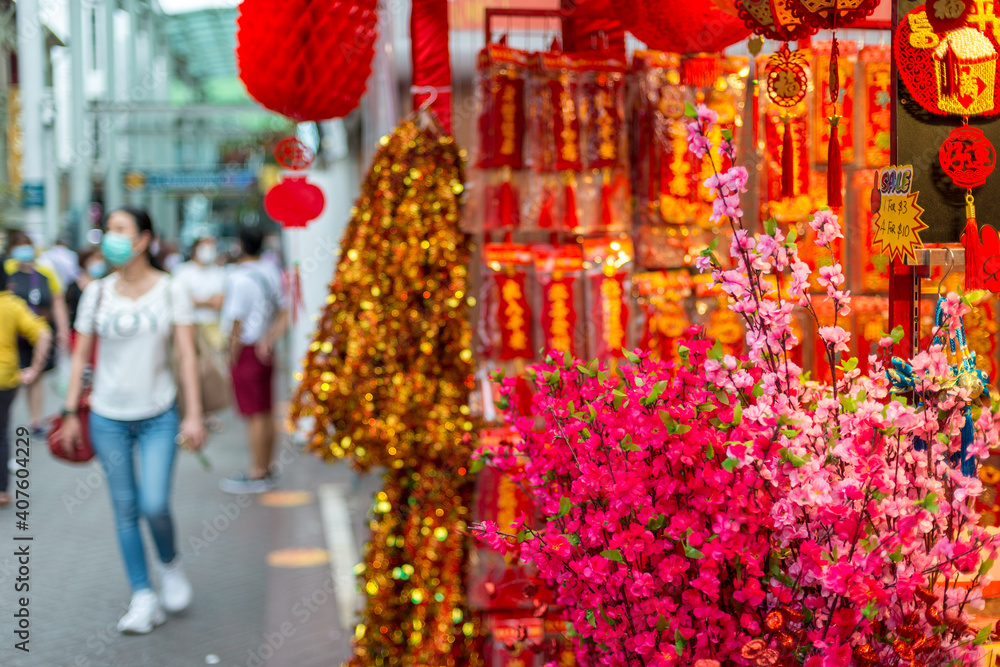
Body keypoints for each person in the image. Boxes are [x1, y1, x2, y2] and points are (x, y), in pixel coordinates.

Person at [57, 207, 206, 634]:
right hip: (107, 418)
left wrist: (193, 415)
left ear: (143, 240)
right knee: (125, 509)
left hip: (159, 414)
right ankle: (143, 595)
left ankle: (170, 564)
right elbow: (80, 357)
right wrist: (70, 412)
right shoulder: (97, 293)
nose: (110, 238)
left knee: (154, 504)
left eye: (121, 231)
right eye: (108, 231)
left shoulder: (170, 290)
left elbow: (187, 357)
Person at [219, 227, 288, 494]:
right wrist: (269, 339)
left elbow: (236, 322)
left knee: (254, 413)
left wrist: (230, 356)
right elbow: (284, 310)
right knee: (266, 410)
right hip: (264, 349)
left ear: (239, 246)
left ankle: (257, 472)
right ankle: (268, 468)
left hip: (247, 350)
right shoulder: (271, 271)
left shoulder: (238, 278)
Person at [4, 230, 69, 433]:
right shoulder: (7, 270)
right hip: (11, 336)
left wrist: (63, 330)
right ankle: (5, 418)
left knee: (35, 376)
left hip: (37, 332)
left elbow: (58, 302)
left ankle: (35, 421)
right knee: (10, 381)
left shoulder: (45, 272)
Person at [0, 262, 51, 506]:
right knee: (1, 433)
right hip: (6, 380)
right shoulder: (11, 304)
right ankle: (2, 491)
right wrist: (35, 369)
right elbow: (43, 333)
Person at [172, 236, 226, 350]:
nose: (208, 249)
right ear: (195, 248)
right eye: (204, 245)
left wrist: (196, 300)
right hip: (190, 325)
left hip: (213, 329)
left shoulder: (219, 273)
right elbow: (179, 300)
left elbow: (219, 302)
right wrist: (208, 300)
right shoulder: (182, 271)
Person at [65, 247, 107, 335]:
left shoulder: (105, 285)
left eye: (100, 258)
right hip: (76, 331)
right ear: (85, 262)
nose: (99, 262)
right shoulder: (73, 286)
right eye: (95, 258)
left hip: (99, 333)